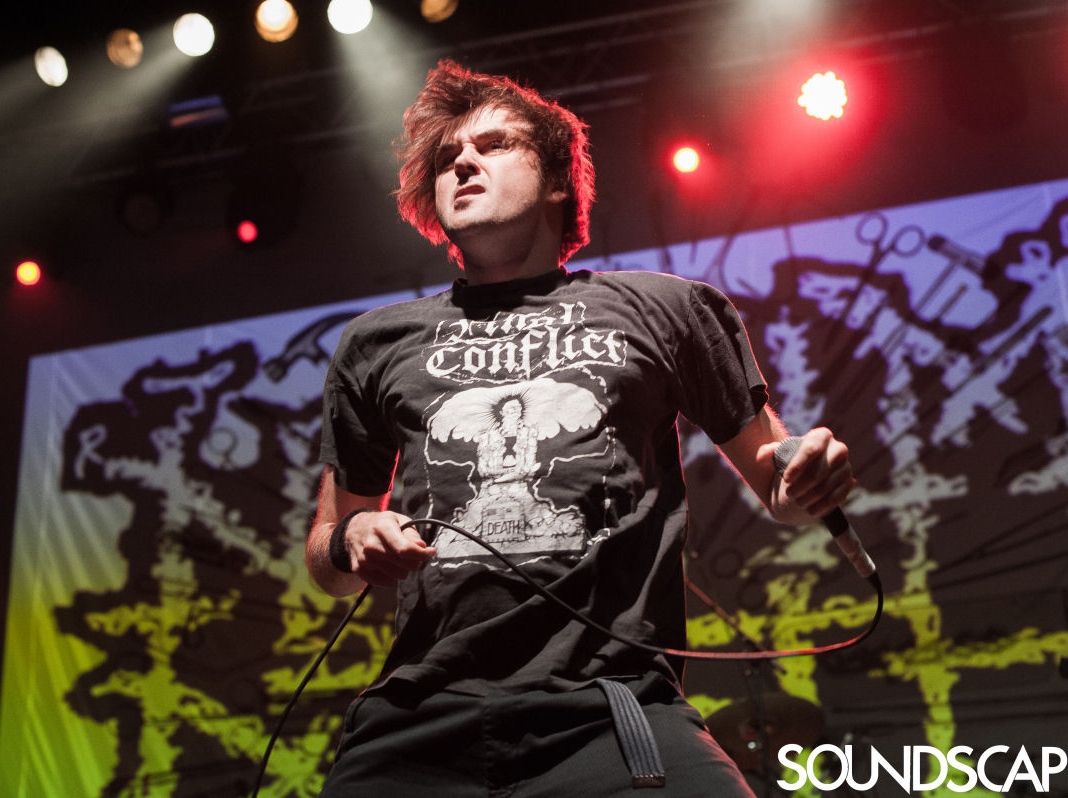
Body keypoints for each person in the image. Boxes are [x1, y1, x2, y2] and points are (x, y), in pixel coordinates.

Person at [306, 59, 854, 796]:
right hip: (420, 714)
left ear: (558, 181)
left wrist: (801, 476)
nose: (462, 162)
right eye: (446, 157)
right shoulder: (375, 343)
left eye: (494, 144)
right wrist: (351, 536)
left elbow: (774, 479)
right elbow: (327, 559)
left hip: (611, 704)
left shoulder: (665, 309)